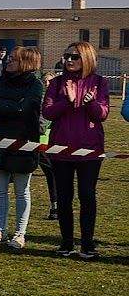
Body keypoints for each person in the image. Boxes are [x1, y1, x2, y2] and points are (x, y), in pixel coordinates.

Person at [42, 41, 109, 258]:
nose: (69, 60)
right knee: (64, 197)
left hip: (90, 150)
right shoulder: (57, 83)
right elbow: (48, 112)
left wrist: (90, 103)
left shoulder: (99, 82)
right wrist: (68, 103)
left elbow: (102, 115)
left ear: (86, 58)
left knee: (87, 195)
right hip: (61, 148)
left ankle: (88, 244)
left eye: (74, 56)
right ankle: (66, 242)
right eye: (66, 56)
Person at [0, 46, 44, 249]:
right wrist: (6, 107)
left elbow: (24, 109)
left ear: (25, 62)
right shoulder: (1, 80)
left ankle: (20, 233)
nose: (8, 61)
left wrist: (2, 107)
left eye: (13, 59)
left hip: (24, 142)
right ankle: (0, 230)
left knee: (22, 191)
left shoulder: (35, 84)